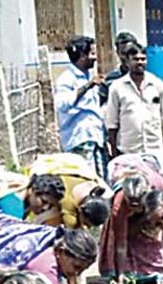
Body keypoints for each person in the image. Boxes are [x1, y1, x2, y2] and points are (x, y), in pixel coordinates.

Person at [99, 162, 163, 284]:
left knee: (152, 230)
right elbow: (121, 243)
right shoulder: (119, 205)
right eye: (131, 204)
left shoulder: (159, 188)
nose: (134, 208)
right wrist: (120, 279)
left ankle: (158, 270)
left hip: (150, 191)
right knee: (126, 234)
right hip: (120, 165)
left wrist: (145, 219)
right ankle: (129, 271)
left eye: (137, 204)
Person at [106, 43, 163, 169]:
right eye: (135, 59)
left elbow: (162, 120)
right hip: (128, 151)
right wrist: (114, 151)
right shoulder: (117, 87)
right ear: (127, 62)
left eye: (143, 59)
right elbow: (112, 123)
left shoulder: (157, 85)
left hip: (154, 150)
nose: (140, 62)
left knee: (157, 186)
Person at [55, 35, 108, 181]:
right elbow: (63, 104)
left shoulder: (88, 75)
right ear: (82, 56)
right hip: (79, 139)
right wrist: (87, 86)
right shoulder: (67, 79)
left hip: (95, 137)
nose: (95, 58)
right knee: (85, 181)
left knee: (101, 180)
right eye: (92, 53)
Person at [28, 153, 111, 229]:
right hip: (39, 189)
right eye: (86, 224)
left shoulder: (94, 187)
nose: (86, 227)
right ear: (81, 210)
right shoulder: (68, 211)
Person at [99, 31, 140, 104]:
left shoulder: (149, 80)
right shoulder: (110, 80)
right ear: (118, 53)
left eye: (131, 53)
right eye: (123, 53)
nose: (128, 57)